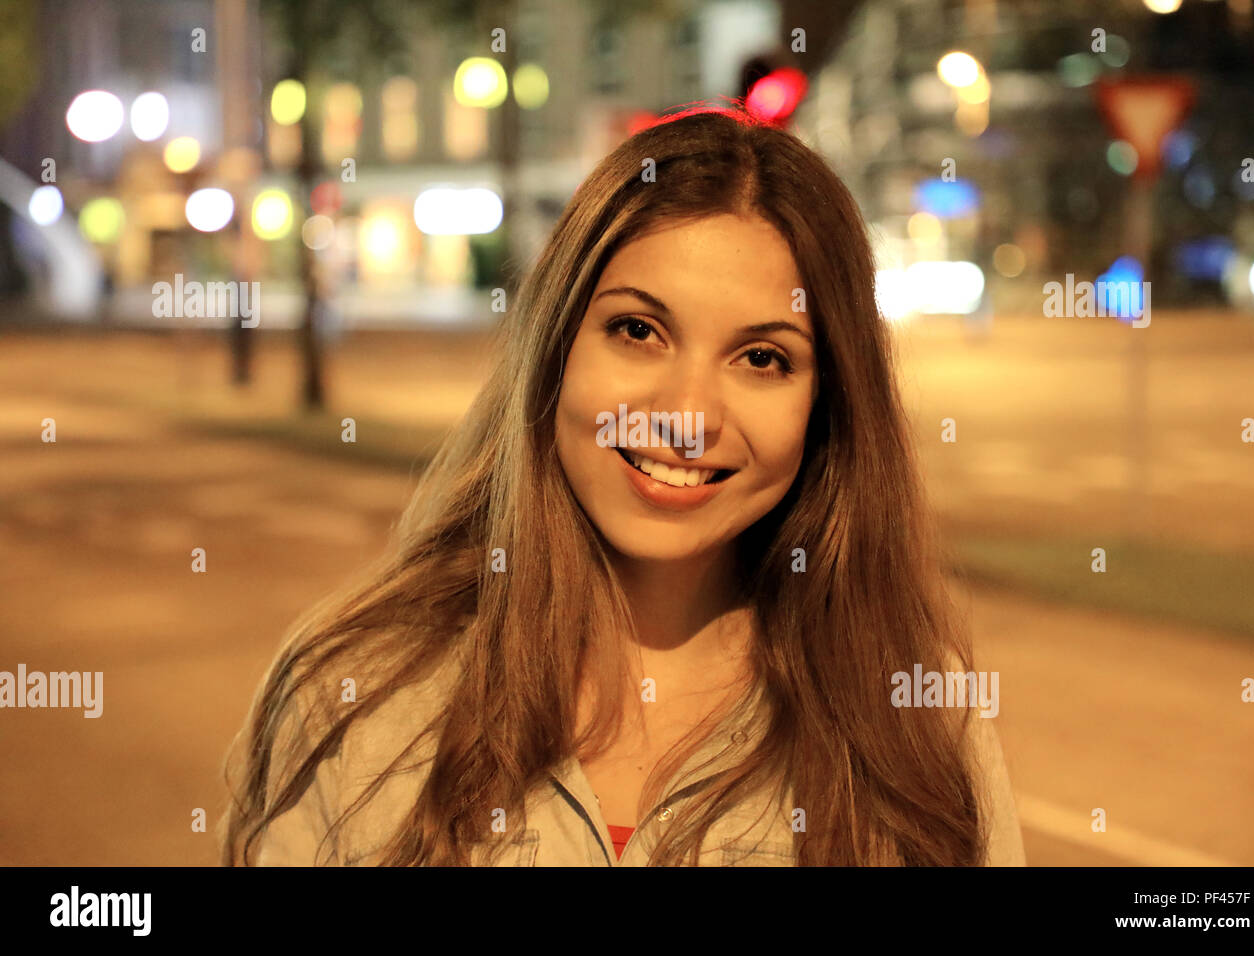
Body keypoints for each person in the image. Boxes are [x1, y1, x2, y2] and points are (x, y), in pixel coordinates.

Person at [219, 106, 1026, 867]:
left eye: (762, 358)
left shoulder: (917, 720)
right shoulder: (353, 695)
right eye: (638, 330)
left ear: (829, 407)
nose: (685, 415)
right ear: (556, 348)